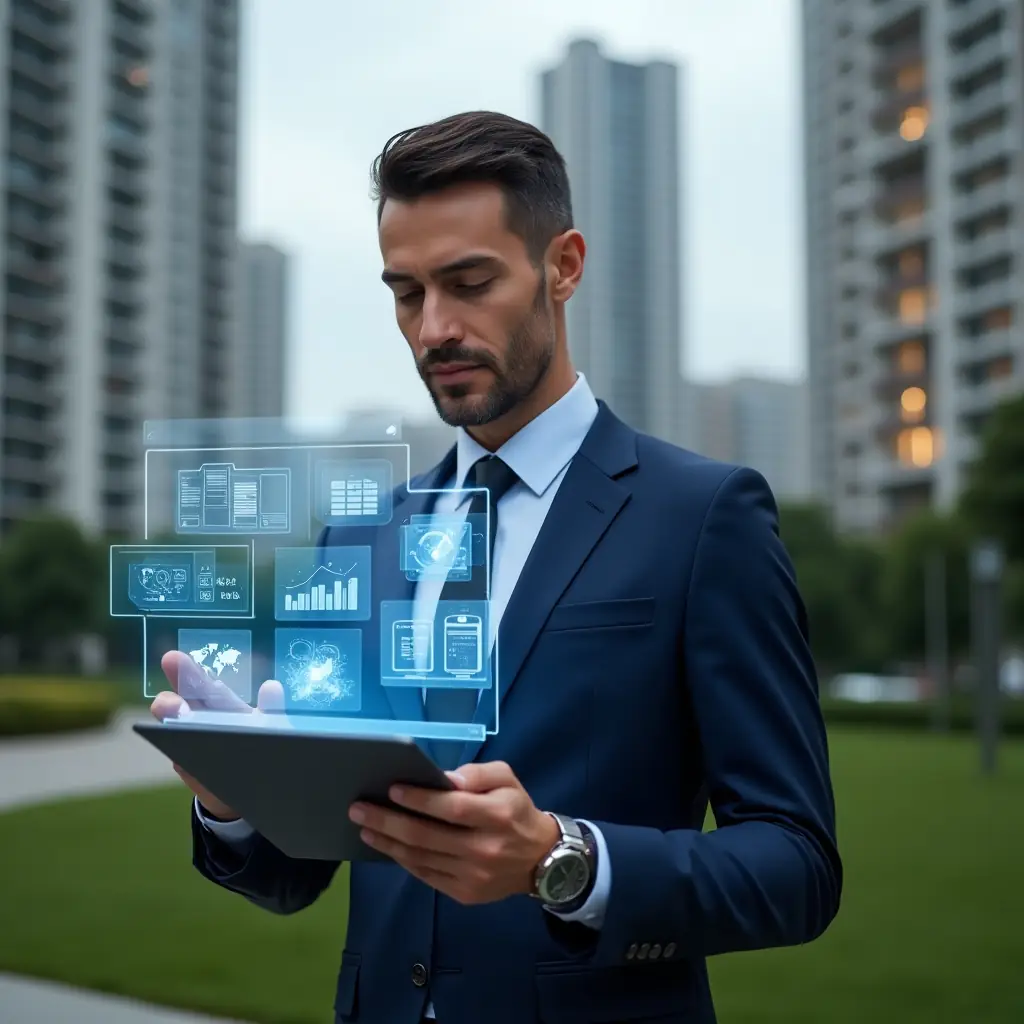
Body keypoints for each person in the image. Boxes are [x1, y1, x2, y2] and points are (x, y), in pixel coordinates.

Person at [152, 110, 842, 1024]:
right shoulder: (362, 539)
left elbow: (796, 865)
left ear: (563, 266)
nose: (434, 328)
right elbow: (295, 876)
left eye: (469, 282)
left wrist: (565, 863)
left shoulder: (704, 516)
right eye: (406, 293)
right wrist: (239, 800)